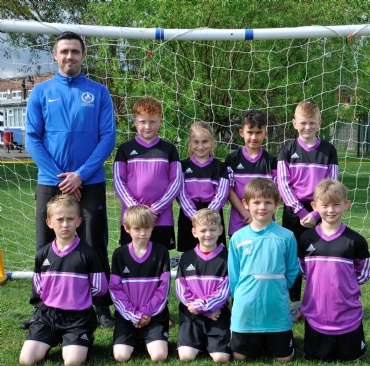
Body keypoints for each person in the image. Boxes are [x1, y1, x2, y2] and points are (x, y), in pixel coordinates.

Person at [23, 31, 116, 330]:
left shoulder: (99, 92)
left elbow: (108, 137)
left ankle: (101, 305)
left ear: (83, 55)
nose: (69, 56)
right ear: (55, 55)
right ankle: (42, 306)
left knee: (94, 242)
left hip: (89, 181)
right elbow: (32, 138)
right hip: (51, 181)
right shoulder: (40, 92)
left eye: (75, 51)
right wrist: (59, 177)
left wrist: (81, 175)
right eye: (64, 51)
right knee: (45, 243)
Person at [19, 195, 108, 366]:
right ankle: (53, 337)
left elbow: (100, 288)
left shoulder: (88, 254)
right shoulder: (43, 254)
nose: (65, 224)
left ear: (79, 221)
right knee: (27, 360)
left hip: (78, 318)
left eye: (70, 219)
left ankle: (81, 339)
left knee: (72, 362)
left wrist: (78, 299)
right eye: (60, 219)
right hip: (48, 316)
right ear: (49, 222)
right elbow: (38, 285)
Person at [298, 179, 370, 362]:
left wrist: (347, 284)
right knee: (316, 358)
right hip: (316, 310)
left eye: (336, 205)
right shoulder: (306, 238)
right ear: (314, 206)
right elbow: (302, 268)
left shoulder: (355, 240)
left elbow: (365, 271)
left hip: (347, 311)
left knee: (351, 358)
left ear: (346, 205)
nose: (330, 210)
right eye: (325, 205)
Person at [277, 100, 338, 322]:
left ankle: (319, 303)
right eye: (303, 123)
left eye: (312, 122)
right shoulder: (287, 150)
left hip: (321, 211)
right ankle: (294, 304)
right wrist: (302, 212)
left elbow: (331, 184)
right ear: (295, 123)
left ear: (319, 123)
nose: (307, 127)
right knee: (293, 258)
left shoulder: (328, 150)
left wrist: (317, 213)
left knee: (319, 257)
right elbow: (283, 184)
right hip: (294, 212)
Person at [228, 178, 299, 362]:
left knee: (285, 358)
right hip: (246, 307)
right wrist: (241, 296)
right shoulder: (238, 238)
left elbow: (292, 269)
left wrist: (279, 287)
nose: (262, 207)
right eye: (257, 202)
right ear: (246, 204)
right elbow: (234, 275)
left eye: (268, 202)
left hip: (276, 307)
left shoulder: (286, 236)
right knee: (239, 356)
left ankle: (272, 339)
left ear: (276, 204)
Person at [113, 97, 181, 250]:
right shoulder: (125, 149)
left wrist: (155, 209)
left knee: (160, 258)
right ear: (134, 121)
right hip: (133, 219)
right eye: (142, 121)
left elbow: (176, 182)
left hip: (161, 218)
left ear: (161, 121)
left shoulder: (169, 149)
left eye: (152, 122)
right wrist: (137, 210)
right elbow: (118, 181)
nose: (147, 126)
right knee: (132, 257)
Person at [109, 205, 170, 362]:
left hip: (153, 315)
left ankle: (149, 338)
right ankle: (136, 338)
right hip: (127, 316)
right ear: (127, 229)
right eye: (137, 229)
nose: (143, 233)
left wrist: (146, 312)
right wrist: (133, 315)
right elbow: (115, 289)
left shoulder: (161, 252)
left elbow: (164, 288)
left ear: (153, 227)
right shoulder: (119, 254)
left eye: (147, 228)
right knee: (121, 356)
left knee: (159, 356)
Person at [175, 209, 231, 363]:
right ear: (194, 232)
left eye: (212, 229)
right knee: (186, 357)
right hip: (191, 313)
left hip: (217, 312)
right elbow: (180, 289)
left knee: (221, 358)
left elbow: (224, 292)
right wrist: (202, 310)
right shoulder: (187, 257)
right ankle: (198, 340)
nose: (208, 234)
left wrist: (203, 307)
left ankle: (212, 342)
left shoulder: (228, 258)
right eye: (203, 230)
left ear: (220, 230)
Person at [177, 121, 229, 252]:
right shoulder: (182, 166)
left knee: (215, 254)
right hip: (188, 215)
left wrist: (208, 216)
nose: (200, 146)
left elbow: (221, 194)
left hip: (213, 213)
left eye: (204, 141)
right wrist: (195, 217)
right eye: (196, 142)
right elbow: (181, 193)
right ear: (190, 143)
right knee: (189, 255)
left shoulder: (220, 167)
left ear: (211, 142)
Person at [225, 110, 277, 236]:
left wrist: (258, 215)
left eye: (258, 133)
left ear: (265, 133)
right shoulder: (232, 159)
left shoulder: (271, 161)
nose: (254, 137)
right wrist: (246, 213)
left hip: (265, 223)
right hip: (239, 222)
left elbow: (275, 192)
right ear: (241, 132)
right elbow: (229, 190)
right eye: (250, 132)